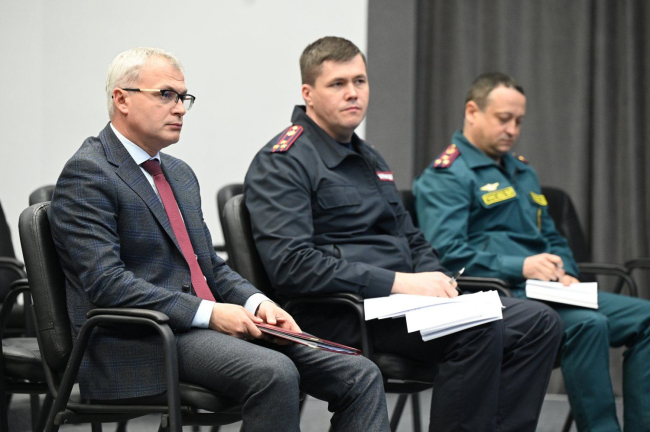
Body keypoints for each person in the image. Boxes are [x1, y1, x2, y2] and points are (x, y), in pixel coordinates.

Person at [49, 47, 390, 432]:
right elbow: (106, 284)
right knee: (275, 372)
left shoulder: (178, 173)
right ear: (122, 99)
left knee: (359, 374)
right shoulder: (89, 173)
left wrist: (259, 303)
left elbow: (208, 265)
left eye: (184, 98)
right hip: (141, 337)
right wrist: (210, 314)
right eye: (166, 95)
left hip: (200, 328)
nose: (180, 109)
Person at [244, 37, 563, 432]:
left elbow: (410, 237)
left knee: (539, 323)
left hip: (399, 306)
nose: (353, 93)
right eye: (338, 84)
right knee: (478, 328)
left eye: (360, 81)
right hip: (339, 310)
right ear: (308, 93)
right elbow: (293, 266)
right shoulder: (283, 161)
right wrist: (400, 283)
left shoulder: (368, 156)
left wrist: (437, 280)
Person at [413, 71, 650, 432]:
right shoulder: (446, 176)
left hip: (552, 290)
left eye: (519, 121)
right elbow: (447, 254)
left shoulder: (521, 170)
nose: (512, 129)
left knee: (646, 317)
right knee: (590, 324)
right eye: (503, 118)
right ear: (472, 112)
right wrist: (521, 265)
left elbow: (551, 237)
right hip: (503, 295)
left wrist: (566, 271)